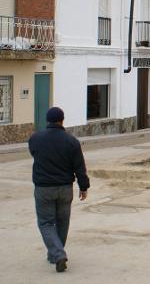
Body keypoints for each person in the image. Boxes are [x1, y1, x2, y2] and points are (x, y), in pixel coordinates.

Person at [28, 107, 90, 273]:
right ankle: (56, 254)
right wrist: (83, 187)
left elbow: (34, 154)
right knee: (63, 222)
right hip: (65, 188)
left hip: (44, 189)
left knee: (46, 223)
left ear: (47, 121)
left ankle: (57, 254)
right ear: (62, 120)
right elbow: (79, 167)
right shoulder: (71, 141)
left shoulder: (35, 139)